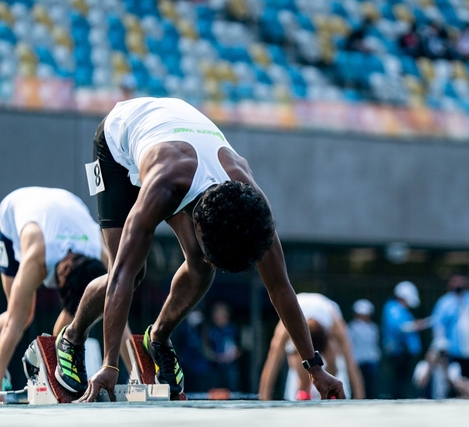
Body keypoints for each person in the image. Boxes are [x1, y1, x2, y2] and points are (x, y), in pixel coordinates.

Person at [54, 97, 345, 401]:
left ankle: (159, 337)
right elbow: (121, 276)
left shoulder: (254, 208)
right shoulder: (163, 185)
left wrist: (315, 369)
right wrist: (109, 364)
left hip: (178, 141)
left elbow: (281, 288)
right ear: (199, 223)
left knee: (200, 264)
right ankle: (72, 337)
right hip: (118, 143)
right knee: (132, 269)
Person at [0, 187, 125, 391]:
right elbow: (11, 325)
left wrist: (140, 378)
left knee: (77, 317)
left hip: (64, 206)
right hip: (13, 213)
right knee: (22, 316)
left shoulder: (98, 251)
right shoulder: (37, 258)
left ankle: (53, 359)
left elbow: (117, 316)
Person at [259, 293, 365, 400]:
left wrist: (359, 398)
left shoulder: (334, 323)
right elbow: (273, 361)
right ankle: (303, 391)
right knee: (301, 370)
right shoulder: (289, 321)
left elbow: (351, 363)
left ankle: (329, 392)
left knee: (332, 362)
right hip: (298, 328)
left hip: (323, 326)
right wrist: (264, 398)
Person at [430, 274, 469, 385]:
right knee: (456, 386)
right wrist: (441, 347)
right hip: (453, 354)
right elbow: (438, 328)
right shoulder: (444, 302)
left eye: (461, 280)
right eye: (455, 281)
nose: (458, 284)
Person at [381, 281, 429, 399]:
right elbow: (399, 327)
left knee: (405, 381)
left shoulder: (402, 310)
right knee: (398, 382)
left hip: (406, 353)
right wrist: (416, 325)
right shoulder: (392, 307)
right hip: (399, 352)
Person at [202, 302, 240, 392]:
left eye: (221, 314)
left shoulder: (233, 329)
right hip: (214, 368)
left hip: (231, 368)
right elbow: (205, 349)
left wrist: (232, 356)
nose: (218, 317)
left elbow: (241, 348)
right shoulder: (210, 331)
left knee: (232, 391)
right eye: (216, 314)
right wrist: (216, 357)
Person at [348, 299, 380, 399]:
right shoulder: (351, 328)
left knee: (371, 385)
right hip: (357, 360)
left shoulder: (373, 328)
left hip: (370, 360)